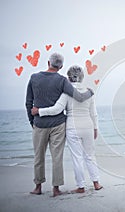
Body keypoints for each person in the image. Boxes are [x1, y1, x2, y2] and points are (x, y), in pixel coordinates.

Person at [26, 53, 94, 197]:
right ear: (61, 66)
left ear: (48, 63)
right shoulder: (63, 81)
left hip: (39, 124)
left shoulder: (34, 78)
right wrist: (91, 93)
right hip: (58, 124)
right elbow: (79, 97)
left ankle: (38, 187)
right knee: (57, 157)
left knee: (39, 156)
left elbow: (28, 102)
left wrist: (32, 121)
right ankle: (56, 189)